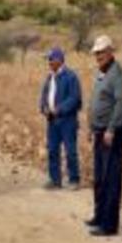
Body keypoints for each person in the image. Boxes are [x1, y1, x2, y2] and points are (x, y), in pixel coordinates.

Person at [85, 35, 122, 237]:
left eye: (102, 52)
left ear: (111, 52)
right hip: (99, 131)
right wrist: (90, 126)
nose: (98, 56)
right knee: (99, 177)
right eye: (96, 53)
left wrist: (111, 129)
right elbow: (95, 101)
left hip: (113, 132)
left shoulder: (118, 74)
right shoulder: (102, 73)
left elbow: (121, 104)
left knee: (111, 177)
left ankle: (109, 225)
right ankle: (99, 215)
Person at [39, 47, 82, 190]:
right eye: (48, 60)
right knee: (52, 150)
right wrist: (43, 107)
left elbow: (75, 98)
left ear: (59, 60)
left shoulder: (71, 77)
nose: (49, 62)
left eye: (51, 59)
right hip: (52, 120)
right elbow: (44, 95)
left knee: (70, 150)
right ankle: (55, 179)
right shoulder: (49, 77)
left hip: (67, 120)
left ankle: (74, 179)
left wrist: (60, 109)